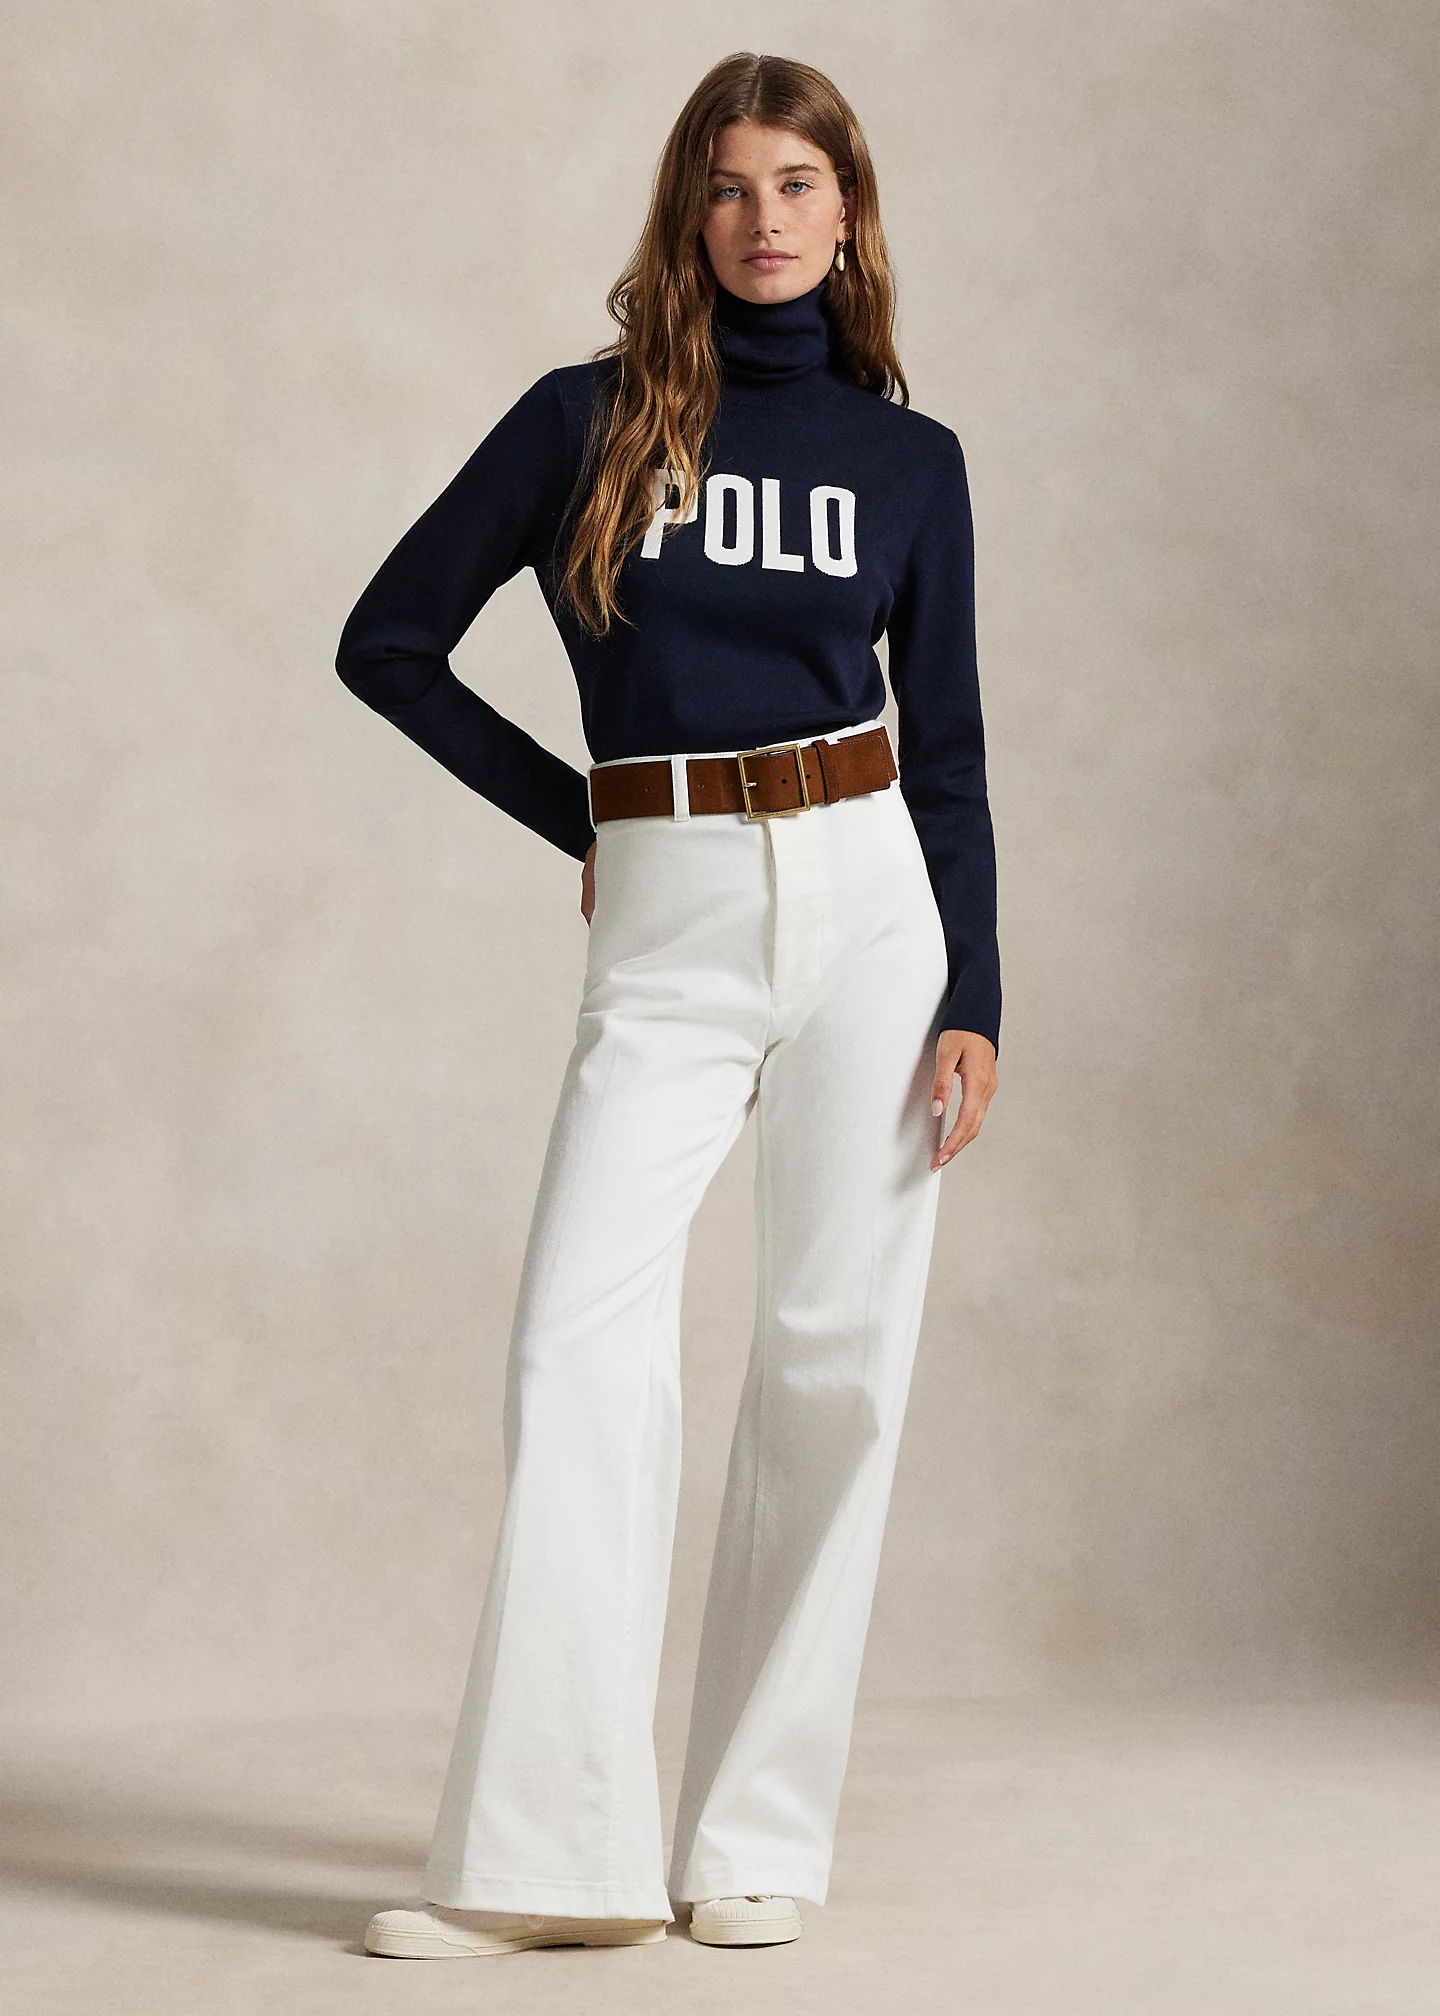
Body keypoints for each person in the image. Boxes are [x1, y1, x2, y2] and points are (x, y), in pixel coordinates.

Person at [334, 49, 1000, 1960]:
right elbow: (389, 642)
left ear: (848, 214)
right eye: (728, 186)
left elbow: (950, 748)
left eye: (797, 184)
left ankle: (754, 1841)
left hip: (870, 900)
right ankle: (551, 1865)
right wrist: (595, 818)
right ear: (684, 214)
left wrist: (977, 991)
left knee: (836, 1360)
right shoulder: (587, 419)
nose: (762, 220)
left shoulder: (911, 462)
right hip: (672, 911)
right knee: (577, 1348)